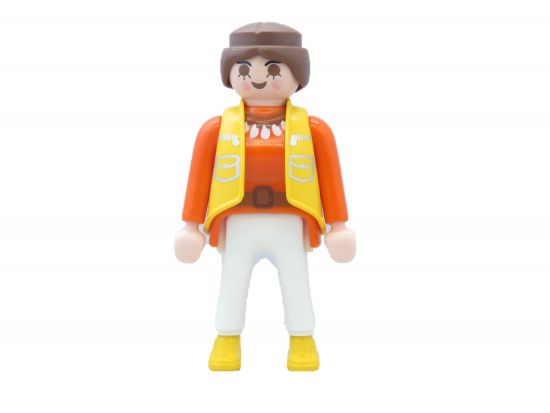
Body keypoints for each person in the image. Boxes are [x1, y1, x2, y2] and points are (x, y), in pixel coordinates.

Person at [175, 22, 356, 371]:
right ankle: (226, 339)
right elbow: (198, 177)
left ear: (297, 75)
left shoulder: (313, 129)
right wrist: (190, 225)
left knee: (296, 279)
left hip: (290, 218)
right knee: (232, 279)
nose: (257, 79)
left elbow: (331, 177)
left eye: (273, 70)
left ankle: (302, 340)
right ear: (230, 74)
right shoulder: (216, 129)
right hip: (237, 218)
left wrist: (338, 225)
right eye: (244, 69)